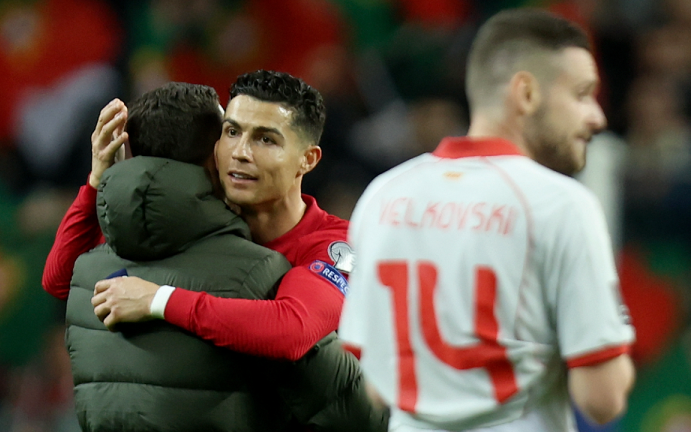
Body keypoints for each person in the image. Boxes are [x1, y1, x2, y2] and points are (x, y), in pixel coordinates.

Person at [338, 8, 635, 432]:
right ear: (527, 94)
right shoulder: (560, 204)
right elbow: (601, 400)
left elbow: (369, 382)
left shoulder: (382, 194)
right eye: (581, 94)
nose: (596, 116)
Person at [44, 72, 387, 431]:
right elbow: (62, 281)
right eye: (232, 132)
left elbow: (292, 330)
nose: (240, 153)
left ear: (308, 159)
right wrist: (96, 181)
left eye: (265, 140)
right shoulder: (198, 230)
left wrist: (160, 301)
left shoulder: (335, 246)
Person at [65, 81, 294, 431]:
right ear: (211, 158)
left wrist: (98, 178)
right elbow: (341, 403)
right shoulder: (259, 271)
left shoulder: (85, 273)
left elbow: (54, 278)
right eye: (228, 135)